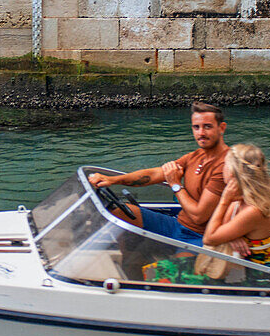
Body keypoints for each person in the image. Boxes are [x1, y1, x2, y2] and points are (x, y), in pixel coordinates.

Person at [88, 102, 231, 248]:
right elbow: (155, 174)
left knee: (166, 270)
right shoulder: (196, 156)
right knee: (118, 212)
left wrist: (175, 185)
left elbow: (199, 216)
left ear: (222, 128)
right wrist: (112, 180)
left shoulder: (225, 166)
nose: (201, 133)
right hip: (176, 223)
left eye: (207, 126)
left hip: (200, 237)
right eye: (196, 127)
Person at [202, 144, 270, 267]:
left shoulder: (253, 210)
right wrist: (231, 236)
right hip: (243, 269)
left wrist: (223, 201)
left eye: (225, 164)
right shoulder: (243, 199)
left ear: (233, 172)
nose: (222, 169)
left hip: (260, 277)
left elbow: (209, 239)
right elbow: (222, 225)